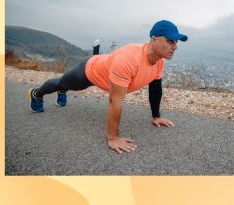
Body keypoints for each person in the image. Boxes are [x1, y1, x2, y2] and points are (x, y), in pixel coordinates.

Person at [27, 20, 188, 154]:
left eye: (175, 42)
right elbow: (114, 101)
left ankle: (63, 90)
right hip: (89, 71)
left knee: (67, 86)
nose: (175, 46)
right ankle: (36, 94)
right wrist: (113, 138)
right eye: (170, 41)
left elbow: (155, 89)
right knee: (61, 83)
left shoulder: (159, 62)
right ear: (154, 40)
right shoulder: (129, 59)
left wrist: (156, 116)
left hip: (107, 67)